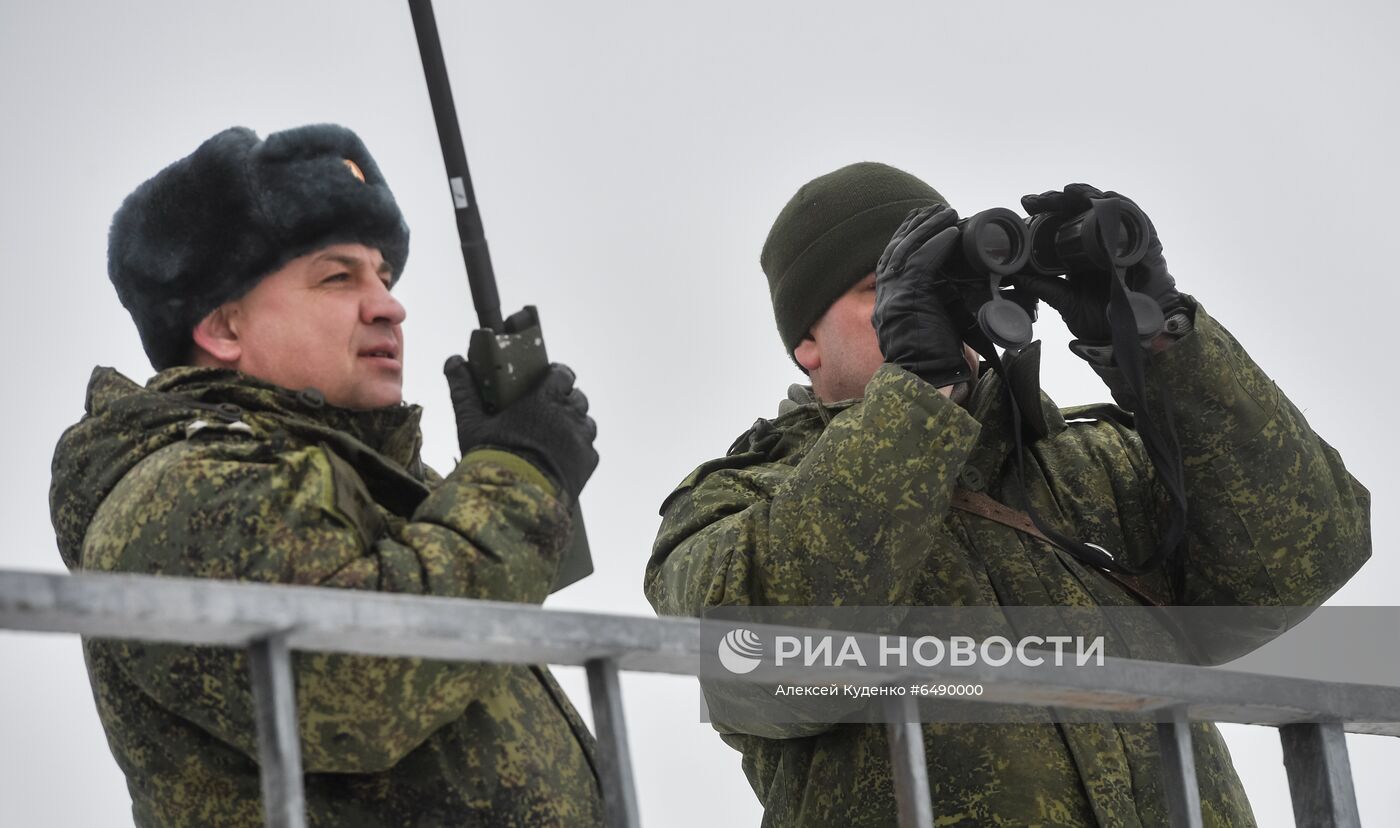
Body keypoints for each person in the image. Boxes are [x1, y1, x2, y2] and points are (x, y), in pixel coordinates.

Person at [645, 162, 1371, 826]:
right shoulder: (737, 501)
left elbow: (1303, 555)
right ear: (807, 342)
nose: (929, 311)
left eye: (942, 287)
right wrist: (919, 397)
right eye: (885, 292)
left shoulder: (1089, 465)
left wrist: (1154, 343)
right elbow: (767, 666)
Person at [50, 124, 604, 826]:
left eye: (385, 276)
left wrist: (480, 480)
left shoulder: (363, 478)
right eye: (338, 277)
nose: (388, 305)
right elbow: (364, 686)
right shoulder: (177, 490)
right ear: (223, 328)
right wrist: (519, 473)